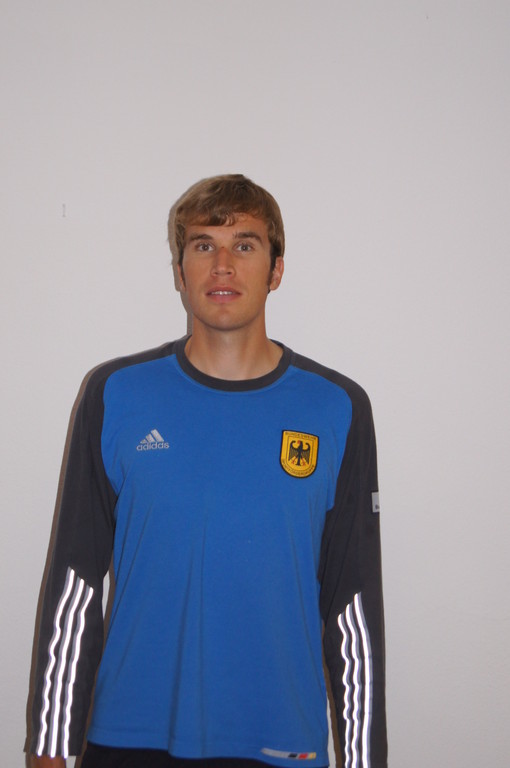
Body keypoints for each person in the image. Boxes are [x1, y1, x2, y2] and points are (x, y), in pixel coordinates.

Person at [27, 175, 387, 768]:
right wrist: (50, 746)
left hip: (280, 740)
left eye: (244, 245)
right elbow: (76, 582)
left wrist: (365, 758)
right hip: (130, 737)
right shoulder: (116, 394)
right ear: (180, 270)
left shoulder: (336, 407)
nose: (223, 265)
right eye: (203, 245)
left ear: (275, 270)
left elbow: (352, 602)